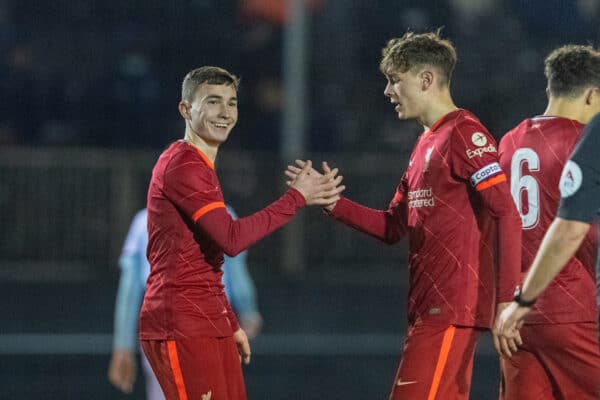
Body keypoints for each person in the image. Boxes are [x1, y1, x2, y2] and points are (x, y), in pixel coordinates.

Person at [287, 31, 522, 399]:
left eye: (395, 79)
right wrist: (333, 202)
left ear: (426, 79)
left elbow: (505, 212)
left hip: (450, 309)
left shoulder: (465, 132)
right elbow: (393, 226)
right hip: (426, 310)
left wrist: (509, 300)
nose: (387, 90)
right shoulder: (426, 142)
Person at [138, 66, 344, 400]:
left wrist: (228, 321)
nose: (225, 112)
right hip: (180, 323)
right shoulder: (183, 164)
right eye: (213, 101)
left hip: (207, 321)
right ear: (186, 110)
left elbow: (208, 258)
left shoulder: (200, 165)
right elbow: (231, 240)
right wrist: (296, 198)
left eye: (231, 103)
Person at [495, 45, 600, 399]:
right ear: (591, 95)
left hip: (517, 313)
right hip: (574, 308)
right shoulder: (585, 144)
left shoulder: (508, 142)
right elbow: (581, 231)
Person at [108, 206, 263, 399]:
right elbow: (238, 279)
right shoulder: (222, 215)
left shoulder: (144, 220)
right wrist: (249, 314)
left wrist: (123, 346)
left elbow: (129, 290)